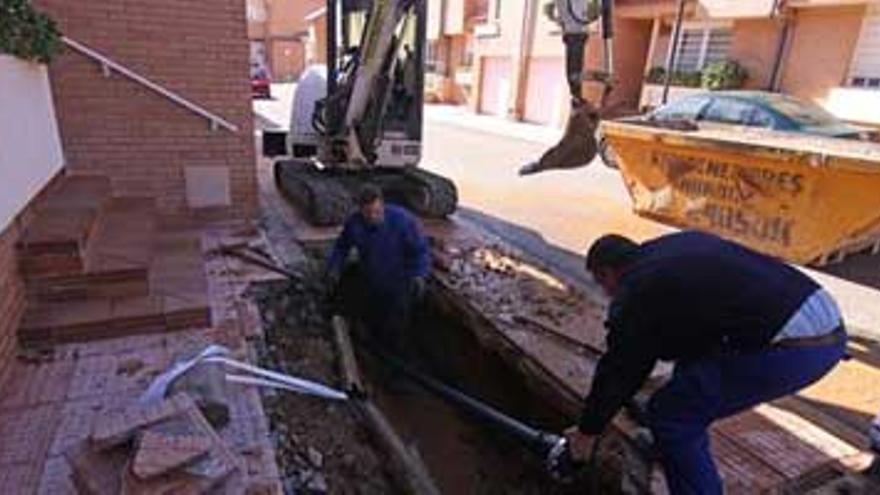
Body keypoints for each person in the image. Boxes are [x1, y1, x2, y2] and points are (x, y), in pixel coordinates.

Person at [564, 231, 847, 494]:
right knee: (691, 369)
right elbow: (681, 337)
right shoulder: (669, 251)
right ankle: (670, 448)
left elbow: (622, 368)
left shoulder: (638, 289)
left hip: (797, 349)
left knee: (672, 416)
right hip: (825, 323)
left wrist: (587, 432)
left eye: (603, 286)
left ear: (607, 273)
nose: (607, 295)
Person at [327, 184, 430, 360]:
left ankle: (395, 360)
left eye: (377, 212)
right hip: (372, 279)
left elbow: (420, 251)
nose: (373, 217)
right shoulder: (355, 223)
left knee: (396, 326)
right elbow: (342, 246)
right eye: (368, 213)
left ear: (382, 204)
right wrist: (334, 266)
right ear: (360, 210)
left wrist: (420, 275)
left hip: (399, 283)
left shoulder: (403, 221)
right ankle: (370, 348)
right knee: (372, 315)